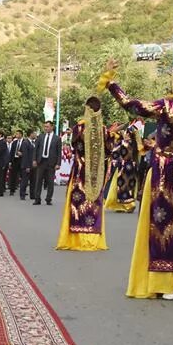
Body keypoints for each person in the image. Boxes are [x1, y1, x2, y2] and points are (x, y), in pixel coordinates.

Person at [101, 60, 173, 300]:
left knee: (163, 223)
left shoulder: (166, 105)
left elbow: (131, 105)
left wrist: (111, 82)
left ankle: (163, 283)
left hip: (164, 171)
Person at [57, 97, 109, 251]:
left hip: (80, 170)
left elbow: (74, 146)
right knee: (94, 203)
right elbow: (108, 150)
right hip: (96, 172)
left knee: (78, 202)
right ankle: (93, 237)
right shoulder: (104, 130)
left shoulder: (79, 128)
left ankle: (77, 238)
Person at [104, 123, 138, 213]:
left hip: (126, 167)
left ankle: (128, 205)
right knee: (122, 186)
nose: (125, 134)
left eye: (127, 133)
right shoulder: (125, 142)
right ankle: (121, 205)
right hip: (125, 166)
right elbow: (115, 151)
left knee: (126, 186)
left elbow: (119, 152)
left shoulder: (128, 143)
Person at [32, 121, 60, 205]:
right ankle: (37, 199)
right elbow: (36, 149)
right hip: (41, 162)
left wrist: (58, 163)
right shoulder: (40, 137)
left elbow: (59, 152)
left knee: (50, 182)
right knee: (38, 181)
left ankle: (48, 199)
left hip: (51, 163)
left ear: (52, 127)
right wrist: (34, 160)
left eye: (47, 127)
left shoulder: (57, 138)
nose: (46, 128)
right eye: (45, 127)